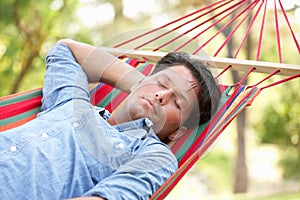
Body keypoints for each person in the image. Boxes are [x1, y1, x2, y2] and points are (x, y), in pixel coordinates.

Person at [0, 39, 221, 200]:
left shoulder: (153, 156)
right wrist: (140, 85)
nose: (162, 95)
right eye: (161, 84)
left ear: (178, 132)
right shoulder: (72, 102)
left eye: (178, 102)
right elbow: (66, 49)